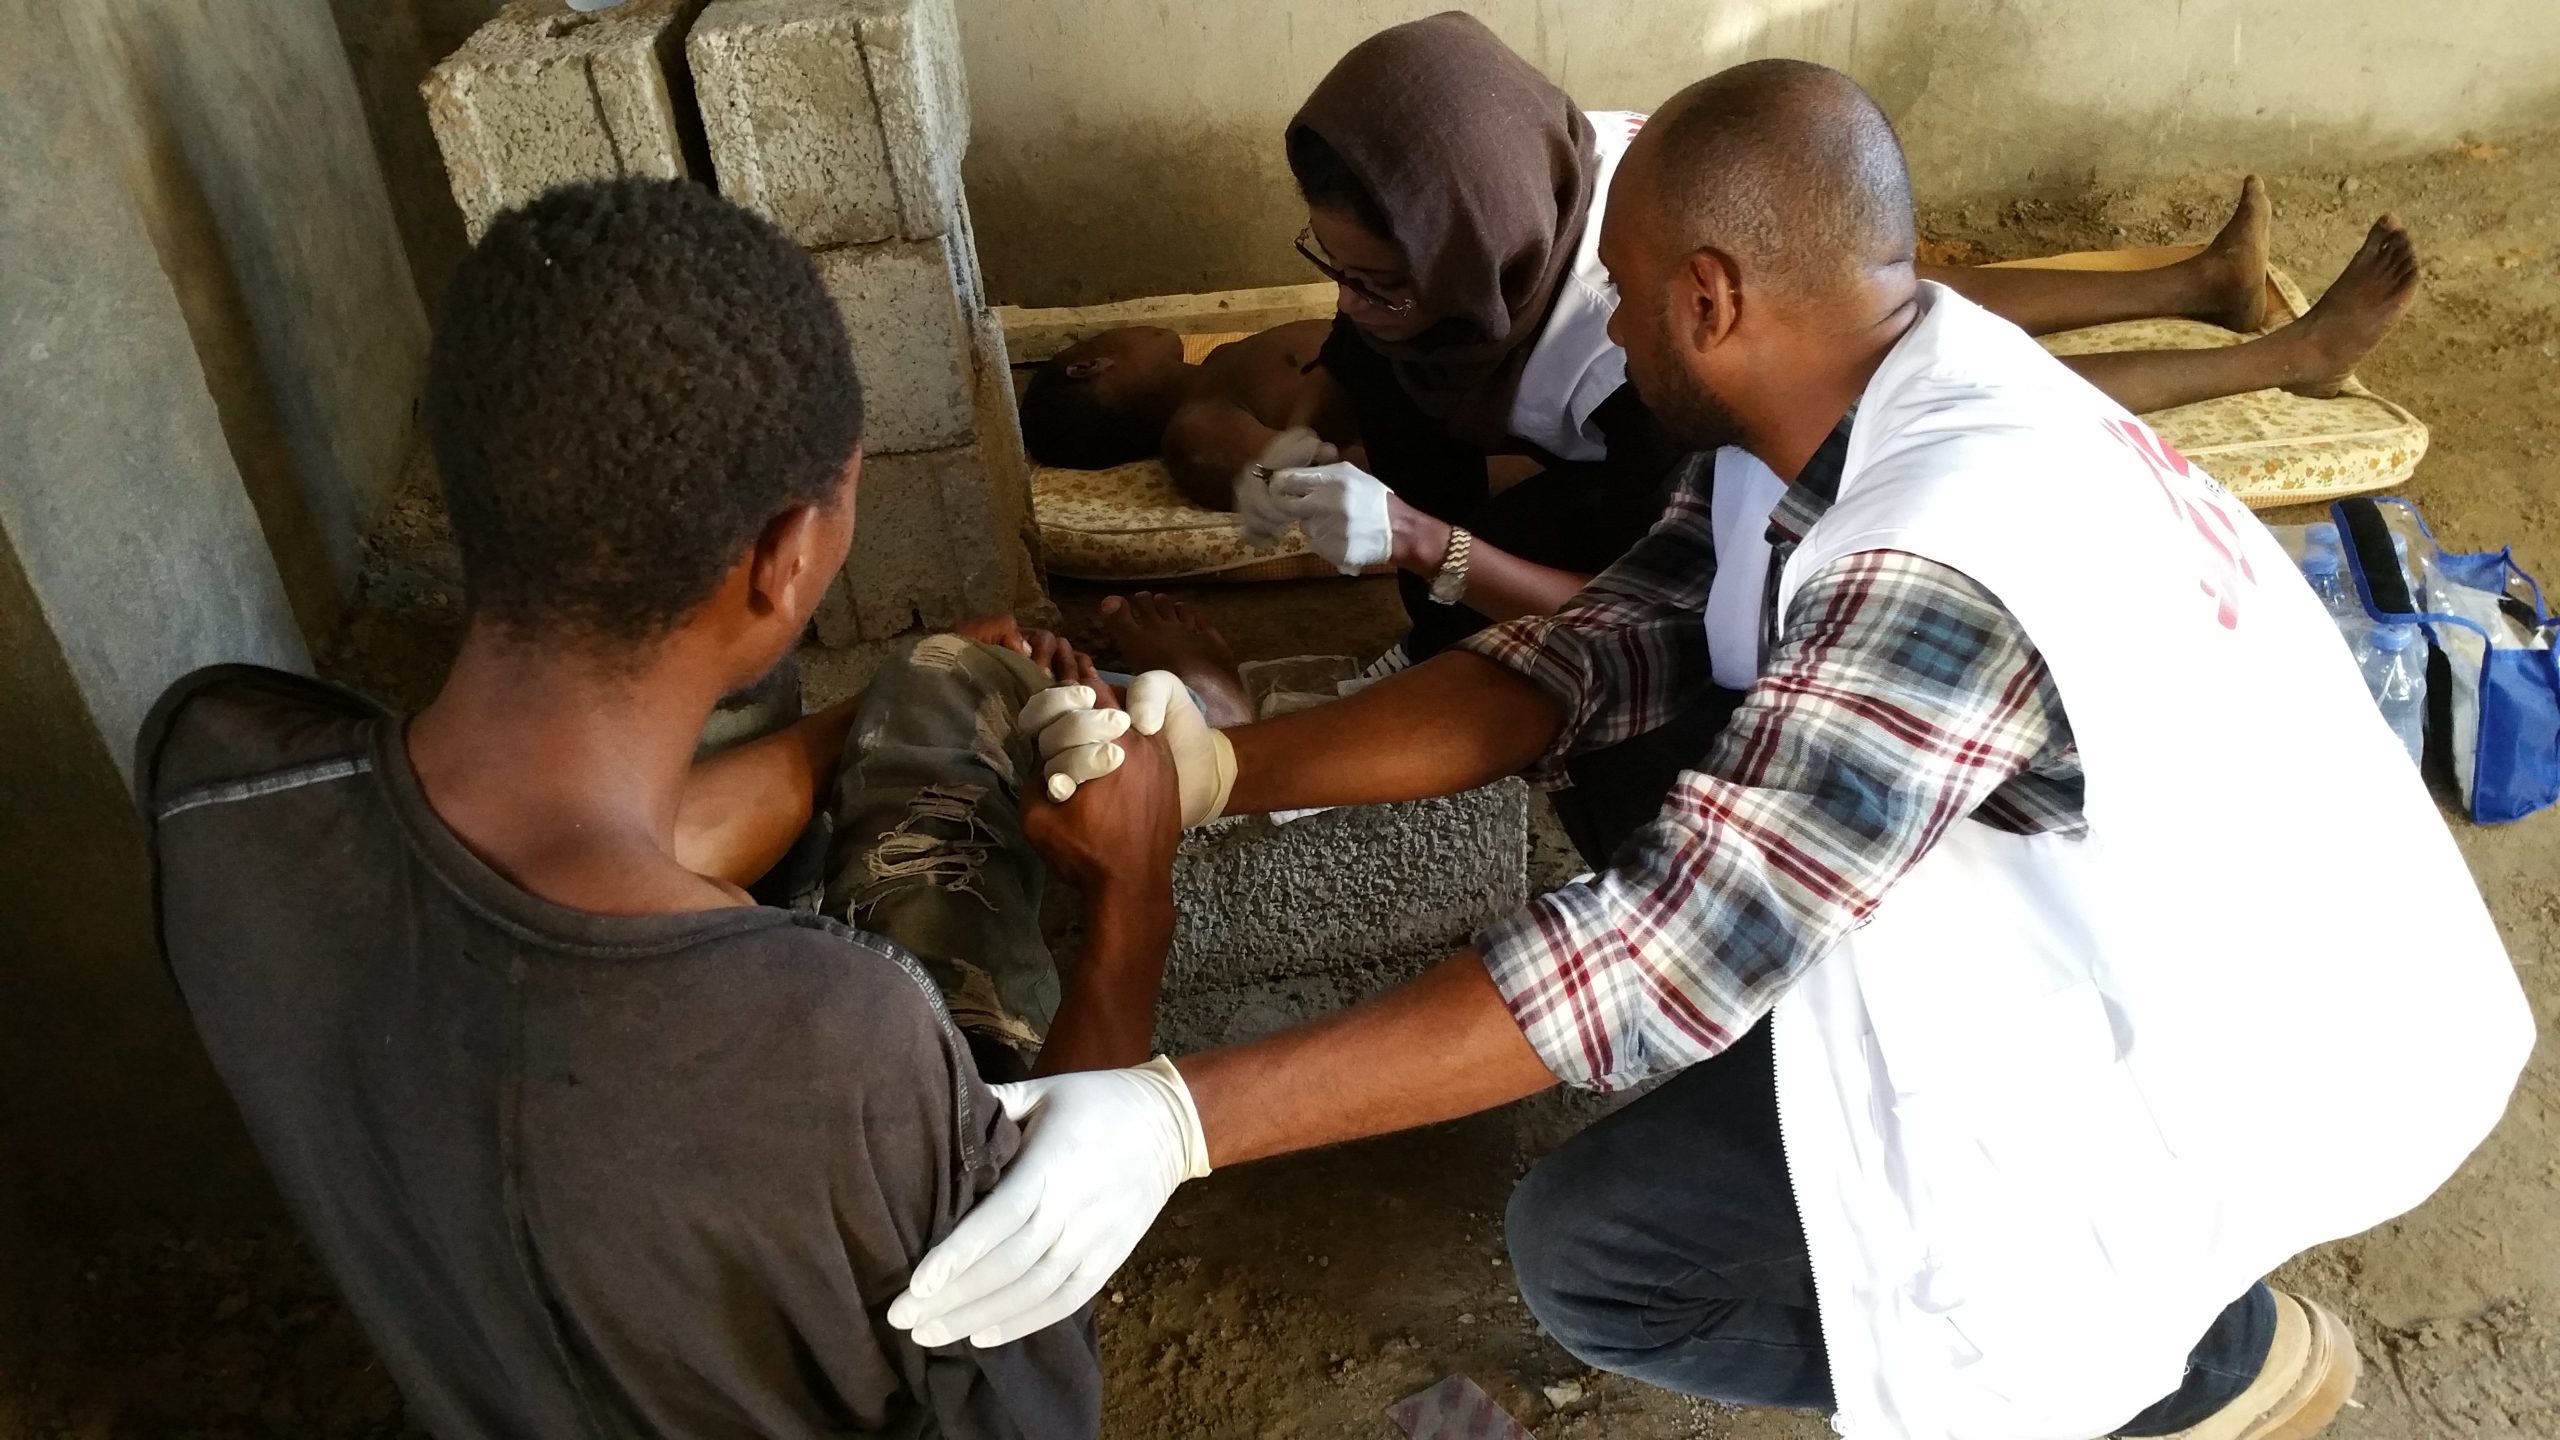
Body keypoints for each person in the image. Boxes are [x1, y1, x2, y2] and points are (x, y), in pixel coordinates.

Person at [884, 62, 2534, 1440]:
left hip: (2264, 1037)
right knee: (1705, 887)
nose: (1601, 318)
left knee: (1606, 1260)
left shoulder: (1938, 553)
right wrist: (1237, 767)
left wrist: (1175, 1120)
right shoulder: (1848, 400)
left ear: (1711, 296)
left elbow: (1657, 958)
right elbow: (1593, 653)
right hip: (2162, 936)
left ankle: (2197, 1367)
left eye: (1620, 281)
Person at [137, 178, 1184, 1439]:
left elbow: (548, 861)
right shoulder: (839, 1040)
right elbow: (1029, 1379)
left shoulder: (221, 778)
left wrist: (882, 706)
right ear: (788, 552)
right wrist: (1133, 899)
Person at [1215, 12, 2420, 672]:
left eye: (1382, 281)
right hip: (1798, 313)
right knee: (1922, 314)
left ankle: (2279, 356)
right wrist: (1298, 441)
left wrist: (1434, 548)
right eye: (1344, 275)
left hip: (1787, 374)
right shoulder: (1491, 197)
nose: (1353, 302)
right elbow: (1365, 353)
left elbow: (1657, 620)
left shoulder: (1652, 368)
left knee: (1920, 351)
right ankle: (2207, 284)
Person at [1021, 184, 2415, 512]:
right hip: (1579, 426)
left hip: (1560, 371)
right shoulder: (1199, 422)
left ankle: (2203, 280)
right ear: (1095, 377)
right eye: (1098, 346)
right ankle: (2288, 359)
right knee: (1927, 374)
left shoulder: (1219, 365)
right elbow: (1330, 485)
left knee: (1910, 296)